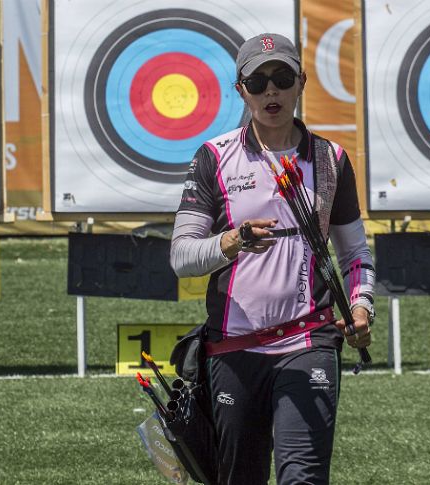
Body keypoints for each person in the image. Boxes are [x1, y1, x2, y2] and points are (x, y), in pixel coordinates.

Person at [170, 33, 375, 485]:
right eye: (257, 81)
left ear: (301, 82)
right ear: (240, 89)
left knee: (302, 478)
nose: (271, 91)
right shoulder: (213, 158)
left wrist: (361, 306)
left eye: (282, 77)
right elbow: (182, 257)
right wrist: (232, 242)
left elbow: (355, 252)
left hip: (308, 341)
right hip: (234, 348)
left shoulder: (330, 159)